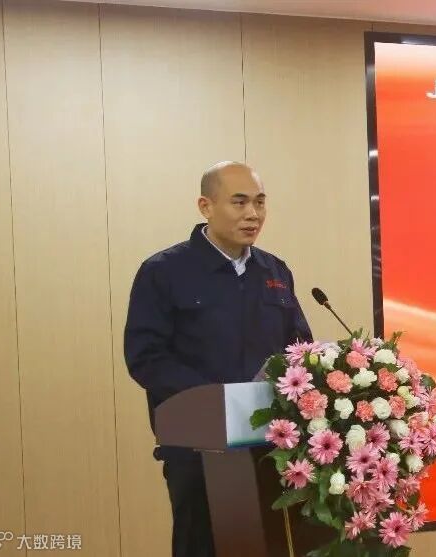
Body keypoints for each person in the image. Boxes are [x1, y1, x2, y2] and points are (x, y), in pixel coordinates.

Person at [124, 161, 312, 557]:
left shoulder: (274, 270)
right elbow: (146, 358)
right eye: (239, 202)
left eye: (260, 202)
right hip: (199, 448)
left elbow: (300, 348)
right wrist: (219, 401)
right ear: (205, 206)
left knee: (271, 545)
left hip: (270, 447)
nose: (253, 214)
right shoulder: (164, 271)